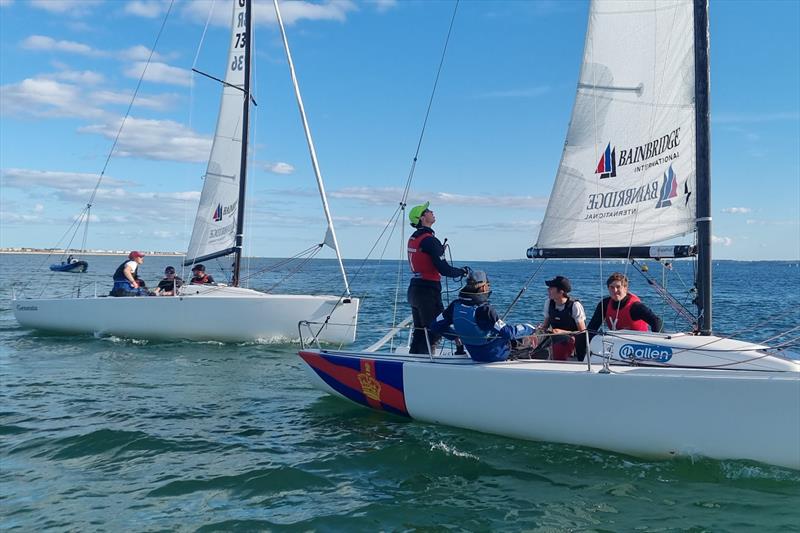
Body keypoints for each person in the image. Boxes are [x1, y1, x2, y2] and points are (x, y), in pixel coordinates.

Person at [429, 270, 535, 362]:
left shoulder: (454, 306)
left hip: (474, 354)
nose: (488, 287)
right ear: (483, 287)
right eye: (488, 285)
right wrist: (529, 328)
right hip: (495, 355)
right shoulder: (485, 309)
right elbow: (508, 332)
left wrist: (455, 336)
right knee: (523, 339)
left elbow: (435, 326)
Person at [406, 202, 469, 355]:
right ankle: (431, 363)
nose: (432, 211)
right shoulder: (430, 240)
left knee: (421, 331)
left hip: (415, 289)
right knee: (436, 328)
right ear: (422, 218)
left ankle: (414, 362)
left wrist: (438, 251)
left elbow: (426, 259)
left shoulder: (414, 238)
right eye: (427, 211)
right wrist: (462, 272)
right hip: (427, 290)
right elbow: (444, 269)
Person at [587, 272, 663, 337]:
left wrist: (657, 344)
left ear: (625, 288)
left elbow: (656, 321)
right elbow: (592, 328)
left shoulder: (635, 306)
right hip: (616, 344)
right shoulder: (604, 304)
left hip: (638, 346)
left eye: (618, 287)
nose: (615, 290)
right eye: (612, 287)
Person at [540, 275, 587, 361]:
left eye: (551, 288)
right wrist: (541, 329)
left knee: (563, 341)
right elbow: (545, 326)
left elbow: (583, 332)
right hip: (555, 339)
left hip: (572, 342)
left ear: (561, 291)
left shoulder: (575, 306)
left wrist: (563, 332)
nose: (548, 290)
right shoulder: (548, 303)